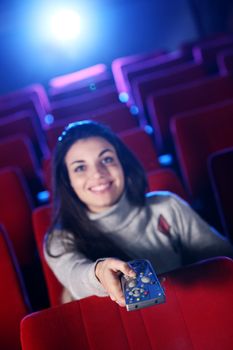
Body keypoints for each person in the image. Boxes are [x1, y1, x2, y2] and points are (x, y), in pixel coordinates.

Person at [44, 120, 233, 306]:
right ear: (67, 181)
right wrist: (99, 272)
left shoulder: (166, 206)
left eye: (107, 159)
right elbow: (75, 275)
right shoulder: (59, 240)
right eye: (80, 168)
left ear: (123, 165)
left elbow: (223, 260)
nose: (97, 174)